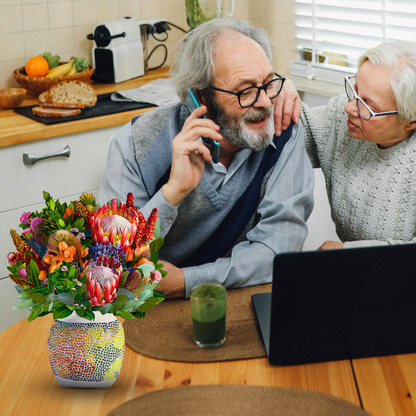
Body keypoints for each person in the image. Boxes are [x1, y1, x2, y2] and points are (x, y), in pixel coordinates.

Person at [99, 18, 314, 299]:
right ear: (200, 96)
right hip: (150, 303)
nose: (263, 102)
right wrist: (172, 192)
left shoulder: (283, 130)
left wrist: (188, 281)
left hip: (242, 299)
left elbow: (278, 250)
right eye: (245, 90)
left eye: (268, 83)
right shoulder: (135, 143)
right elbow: (112, 259)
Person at [276, 40, 416, 250]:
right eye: (355, 89)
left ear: (410, 122)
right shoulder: (343, 118)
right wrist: (277, 86)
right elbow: (289, 128)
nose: (349, 107)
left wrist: (346, 252)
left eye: (368, 105)